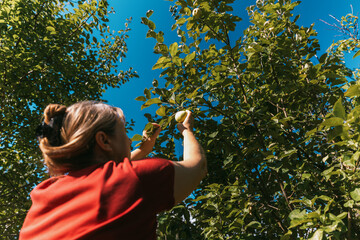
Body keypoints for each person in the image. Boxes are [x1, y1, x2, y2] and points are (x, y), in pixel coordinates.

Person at [19, 101, 207, 240]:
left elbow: (102, 178)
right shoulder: (135, 179)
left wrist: (142, 150)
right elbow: (197, 166)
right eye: (123, 132)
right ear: (104, 141)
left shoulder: (44, 192)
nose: (129, 140)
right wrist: (186, 130)